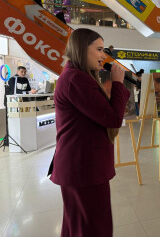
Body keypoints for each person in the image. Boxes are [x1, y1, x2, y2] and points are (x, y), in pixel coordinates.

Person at [49, 28, 130, 236]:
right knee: (92, 226)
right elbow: (112, 119)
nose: (104, 55)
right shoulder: (77, 79)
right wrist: (118, 84)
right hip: (83, 167)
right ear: (81, 49)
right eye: (99, 49)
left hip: (81, 165)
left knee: (77, 224)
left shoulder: (75, 77)